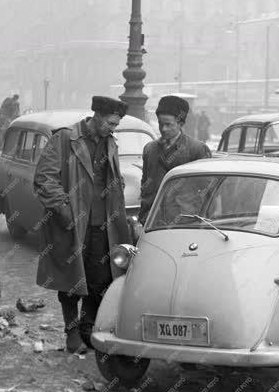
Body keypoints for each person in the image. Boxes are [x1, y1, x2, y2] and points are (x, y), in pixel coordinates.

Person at [33, 96, 130, 353]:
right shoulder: (65, 139)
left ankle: (88, 327)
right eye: (110, 122)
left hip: (103, 225)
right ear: (96, 115)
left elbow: (115, 182)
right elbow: (44, 179)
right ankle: (71, 331)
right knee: (70, 282)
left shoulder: (111, 142)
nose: (113, 128)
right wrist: (65, 211)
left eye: (116, 124)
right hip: (73, 224)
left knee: (99, 280)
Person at [139, 95, 212, 224]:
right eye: (160, 124)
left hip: (185, 223)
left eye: (168, 124)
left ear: (181, 123)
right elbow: (145, 186)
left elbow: (208, 191)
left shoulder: (197, 149)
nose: (163, 129)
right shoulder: (149, 149)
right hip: (153, 223)